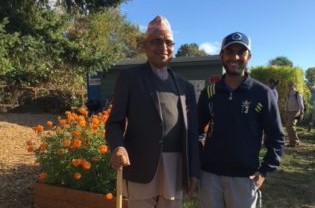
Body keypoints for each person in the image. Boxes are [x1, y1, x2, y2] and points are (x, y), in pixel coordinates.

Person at [105, 15, 200, 208]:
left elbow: (192, 134)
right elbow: (115, 122)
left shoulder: (185, 86)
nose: (163, 47)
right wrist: (118, 146)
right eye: (156, 41)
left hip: (175, 165)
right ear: (145, 46)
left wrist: (193, 171)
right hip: (140, 163)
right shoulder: (130, 78)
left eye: (169, 42)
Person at [197, 32, 285, 208]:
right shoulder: (209, 92)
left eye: (241, 52)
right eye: (229, 51)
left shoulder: (263, 94)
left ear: (249, 56)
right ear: (221, 55)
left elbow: (276, 136)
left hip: (245, 178)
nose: (235, 57)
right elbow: (197, 130)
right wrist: (198, 160)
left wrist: (264, 170)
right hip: (209, 177)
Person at [284, 81, 304, 147]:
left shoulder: (297, 94)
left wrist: (301, 113)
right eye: (288, 85)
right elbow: (286, 103)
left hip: (295, 111)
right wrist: (286, 112)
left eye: (290, 85)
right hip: (288, 112)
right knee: (287, 126)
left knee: (290, 125)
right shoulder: (288, 94)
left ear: (294, 86)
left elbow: (301, 104)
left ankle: (296, 141)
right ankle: (292, 142)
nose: (289, 86)